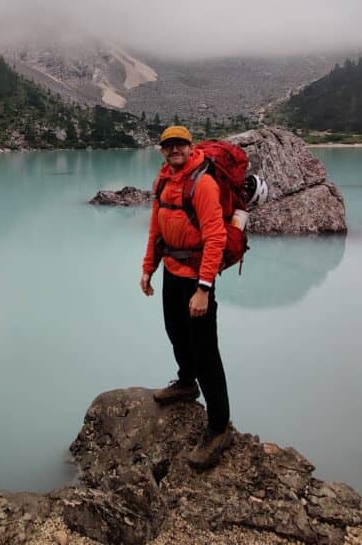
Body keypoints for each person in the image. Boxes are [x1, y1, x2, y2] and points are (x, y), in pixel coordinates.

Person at [140, 125, 232, 469]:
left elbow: (216, 237)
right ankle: (185, 383)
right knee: (176, 333)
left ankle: (219, 426)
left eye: (180, 144)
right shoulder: (163, 182)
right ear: (163, 150)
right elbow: (155, 228)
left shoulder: (203, 183)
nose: (174, 149)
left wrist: (204, 289)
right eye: (169, 145)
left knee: (206, 351)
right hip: (170, 273)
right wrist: (148, 268)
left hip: (195, 278)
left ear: (190, 147)